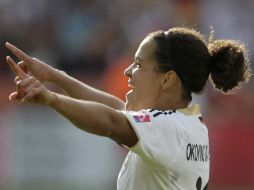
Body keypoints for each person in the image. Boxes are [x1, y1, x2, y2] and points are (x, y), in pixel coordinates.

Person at [5, 27, 251, 190]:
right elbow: (118, 110)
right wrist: (55, 76)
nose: (127, 72)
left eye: (138, 64)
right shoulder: (186, 125)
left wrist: (50, 99)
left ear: (167, 79)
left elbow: (111, 122)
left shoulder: (166, 127)